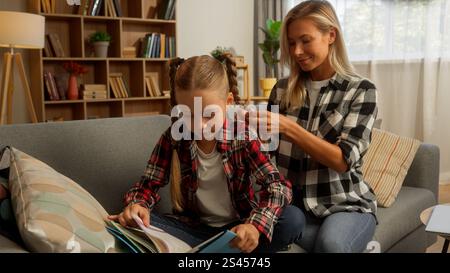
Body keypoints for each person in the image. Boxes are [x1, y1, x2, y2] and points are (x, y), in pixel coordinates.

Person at [109, 54, 305, 253]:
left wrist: (254, 226)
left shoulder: (242, 136)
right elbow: (147, 184)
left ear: (228, 102)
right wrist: (138, 204)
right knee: (132, 224)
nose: (199, 125)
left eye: (209, 114)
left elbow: (277, 186)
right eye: (188, 114)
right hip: (193, 230)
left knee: (293, 219)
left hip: (238, 229)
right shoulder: (174, 137)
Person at [262, 0, 378, 253]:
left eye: (305, 40)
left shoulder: (361, 90)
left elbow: (342, 160)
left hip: (343, 202)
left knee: (331, 245)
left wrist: (289, 129)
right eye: (292, 43)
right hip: (291, 203)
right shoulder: (281, 90)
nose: (297, 51)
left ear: (330, 36)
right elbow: (265, 155)